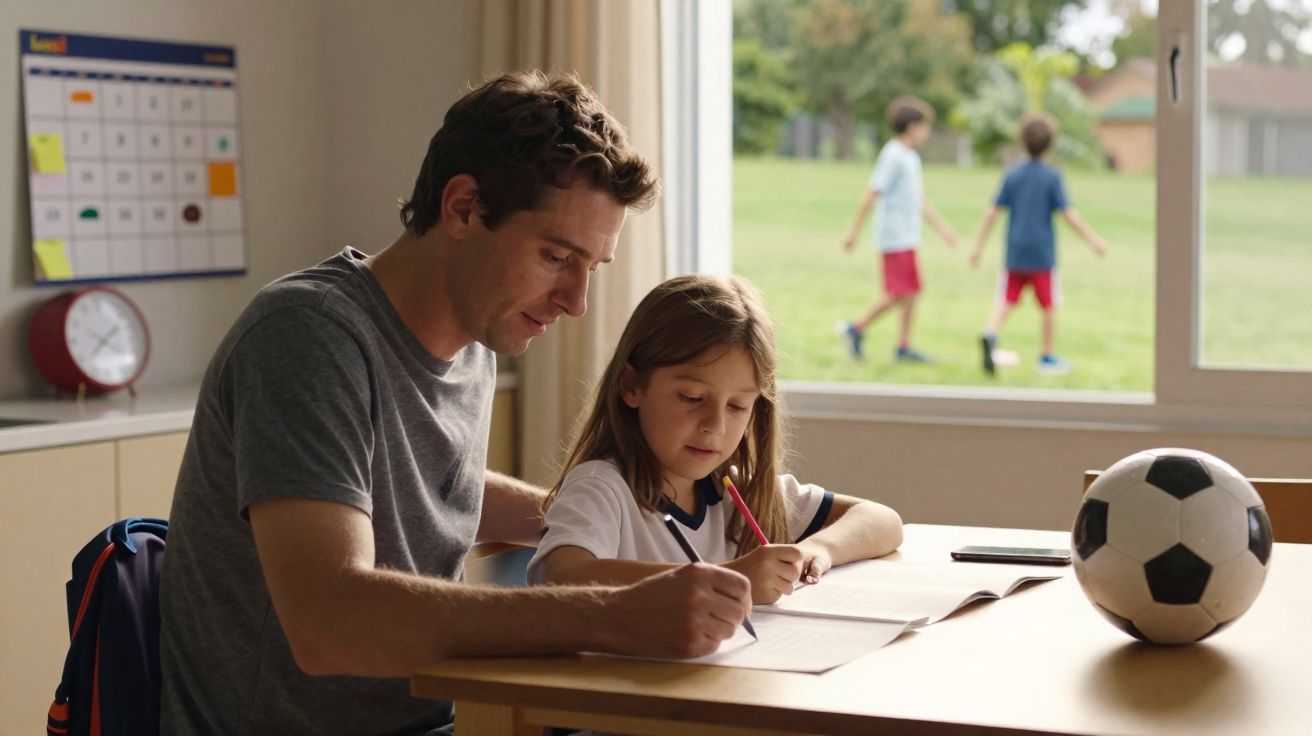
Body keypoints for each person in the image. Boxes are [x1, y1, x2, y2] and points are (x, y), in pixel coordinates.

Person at [158, 71, 756, 736]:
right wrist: (614, 614)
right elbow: (328, 622)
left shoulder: (475, 342)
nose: (577, 301)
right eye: (558, 256)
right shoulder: (308, 336)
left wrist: (585, 514)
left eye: (593, 268)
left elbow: (425, 484)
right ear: (465, 207)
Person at [527, 274, 903, 604]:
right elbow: (561, 576)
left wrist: (818, 548)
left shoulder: (733, 490)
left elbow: (883, 520)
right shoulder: (602, 487)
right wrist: (730, 579)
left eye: (738, 406)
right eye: (692, 398)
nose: (715, 426)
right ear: (632, 386)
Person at [968, 113, 1108, 375]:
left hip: (1015, 251)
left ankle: (990, 333)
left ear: (1022, 142)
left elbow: (992, 212)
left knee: (1006, 298)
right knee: (1048, 305)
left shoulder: (1013, 174)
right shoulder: (1052, 176)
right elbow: (1068, 214)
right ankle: (1046, 357)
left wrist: (978, 246)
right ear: (1051, 145)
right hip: (1042, 253)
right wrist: (1093, 240)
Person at [839, 95, 960, 364]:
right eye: (925, 126)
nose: (927, 133)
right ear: (912, 126)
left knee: (912, 291)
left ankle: (903, 347)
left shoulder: (910, 158)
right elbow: (873, 193)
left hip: (908, 235)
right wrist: (853, 231)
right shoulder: (893, 156)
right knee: (898, 293)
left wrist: (943, 229)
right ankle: (855, 329)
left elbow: (919, 200)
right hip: (894, 237)